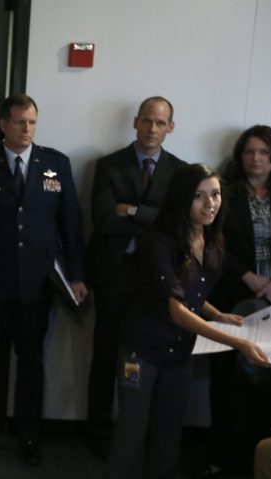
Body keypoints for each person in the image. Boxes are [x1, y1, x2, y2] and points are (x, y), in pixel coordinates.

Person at [0, 93, 88, 465]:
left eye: (32, 123)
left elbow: (70, 225)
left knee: (31, 364)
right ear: (3, 124)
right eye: (20, 122)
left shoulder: (55, 165)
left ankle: (30, 437)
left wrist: (77, 275)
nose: (27, 129)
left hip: (37, 287)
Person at [106, 163, 269, 479]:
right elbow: (177, 309)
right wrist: (239, 343)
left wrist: (216, 313)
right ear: (183, 198)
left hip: (179, 351)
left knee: (168, 432)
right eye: (199, 196)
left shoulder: (211, 240)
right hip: (143, 347)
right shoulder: (160, 240)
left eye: (216, 195)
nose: (210, 204)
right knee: (132, 430)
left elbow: (190, 291)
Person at [85, 96, 186, 457]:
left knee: (145, 360)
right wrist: (151, 217)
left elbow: (176, 225)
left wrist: (132, 210)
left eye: (160, 123)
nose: (152, 129)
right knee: (106, 355)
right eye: (147, 121)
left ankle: (139, 437)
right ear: (135, 122)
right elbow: (104, 221)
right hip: (115, 275)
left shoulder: (180, 171)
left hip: (157, 282)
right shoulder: (109, 165)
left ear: (171, 127)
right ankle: (97, 432)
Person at [203, 125, 271, 476]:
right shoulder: (223, 194)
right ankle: (225, 463)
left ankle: (265, 464)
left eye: (263, 153)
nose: (255, 158)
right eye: (249, 152)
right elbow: (211, 238)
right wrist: (248, 276)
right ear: (239, 156)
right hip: (233, 303)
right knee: (229, 386)